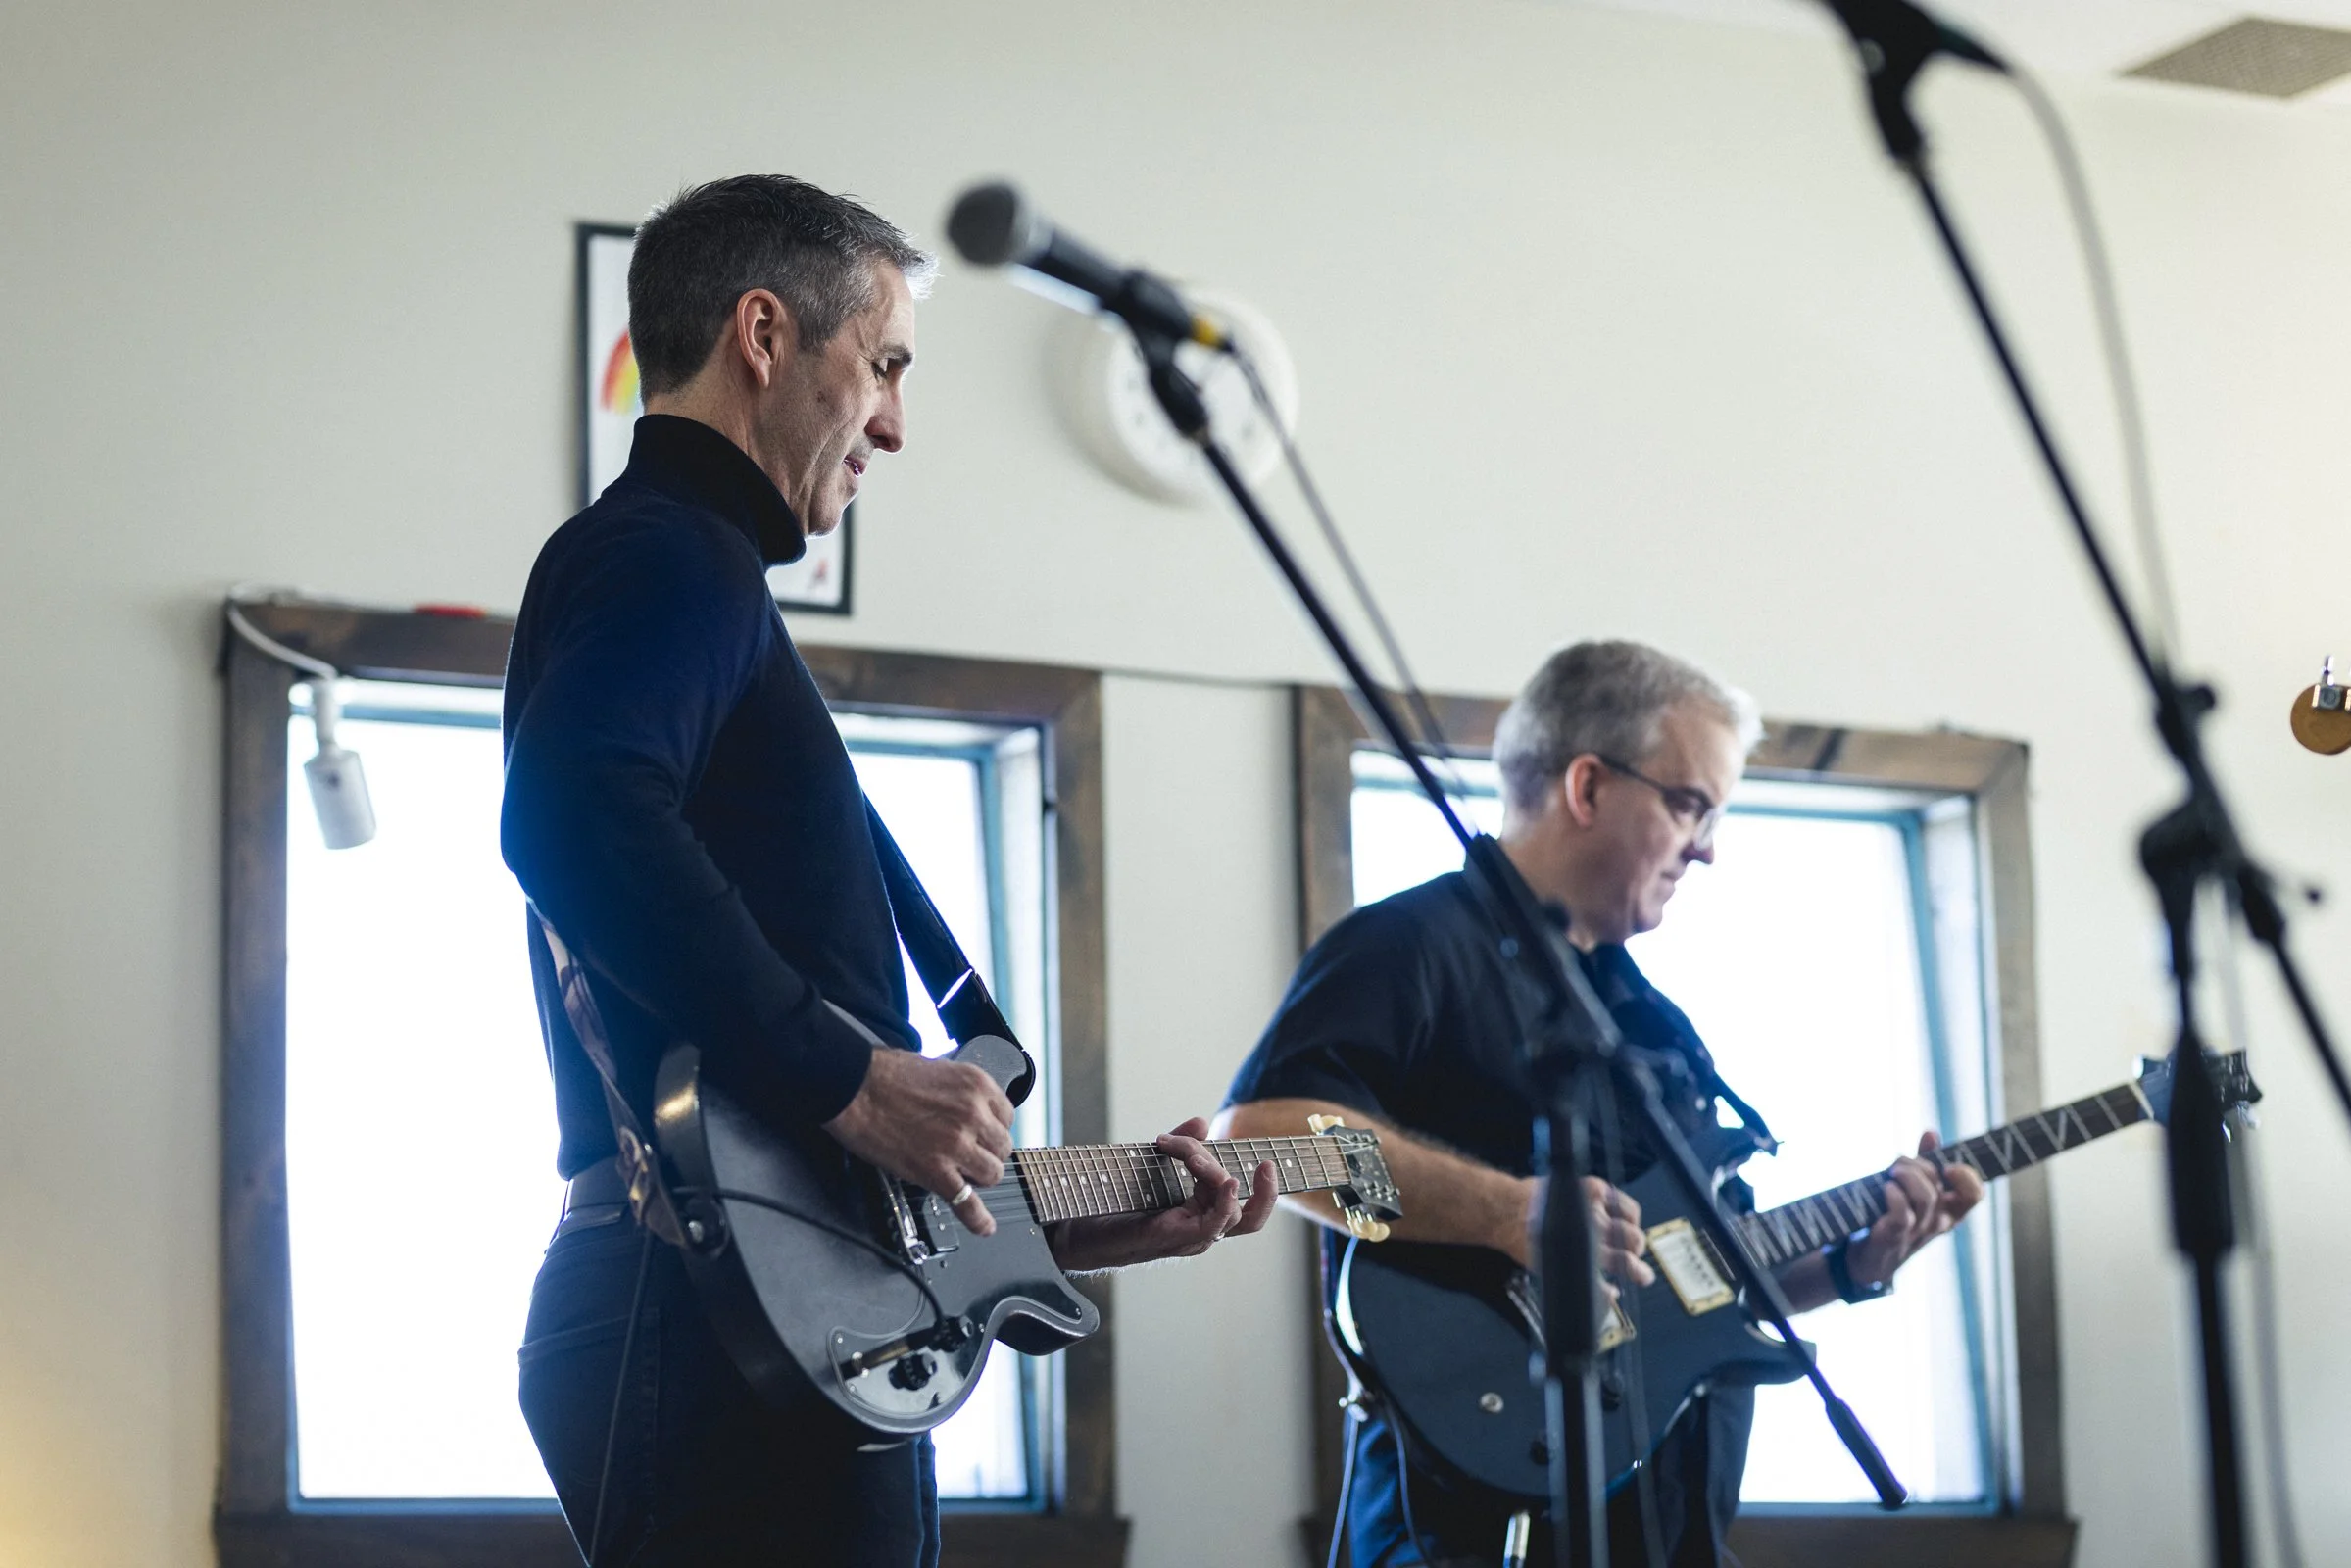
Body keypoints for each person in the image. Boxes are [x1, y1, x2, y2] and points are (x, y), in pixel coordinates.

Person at [500, 174, 1275, 1568]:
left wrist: (1067, 1222)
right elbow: (569, 813)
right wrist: (855, 1082)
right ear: (762, 334)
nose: (896, 426)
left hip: (739, 1312)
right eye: (884, 363)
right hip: (698, 1322)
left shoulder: (689, 575)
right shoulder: (672, 555)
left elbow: (789, 1145)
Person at [1216, 640, 1984, 1567]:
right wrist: (1513, 1213)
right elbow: (1261, 1136)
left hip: (1668, 1531)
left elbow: (1695, 1279)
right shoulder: (1409, 944)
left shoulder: (1644, 1019)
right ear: (1587, 786)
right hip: (1462, 1530)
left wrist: (1856, 1263)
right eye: (1691, 804)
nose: (1708, 848)